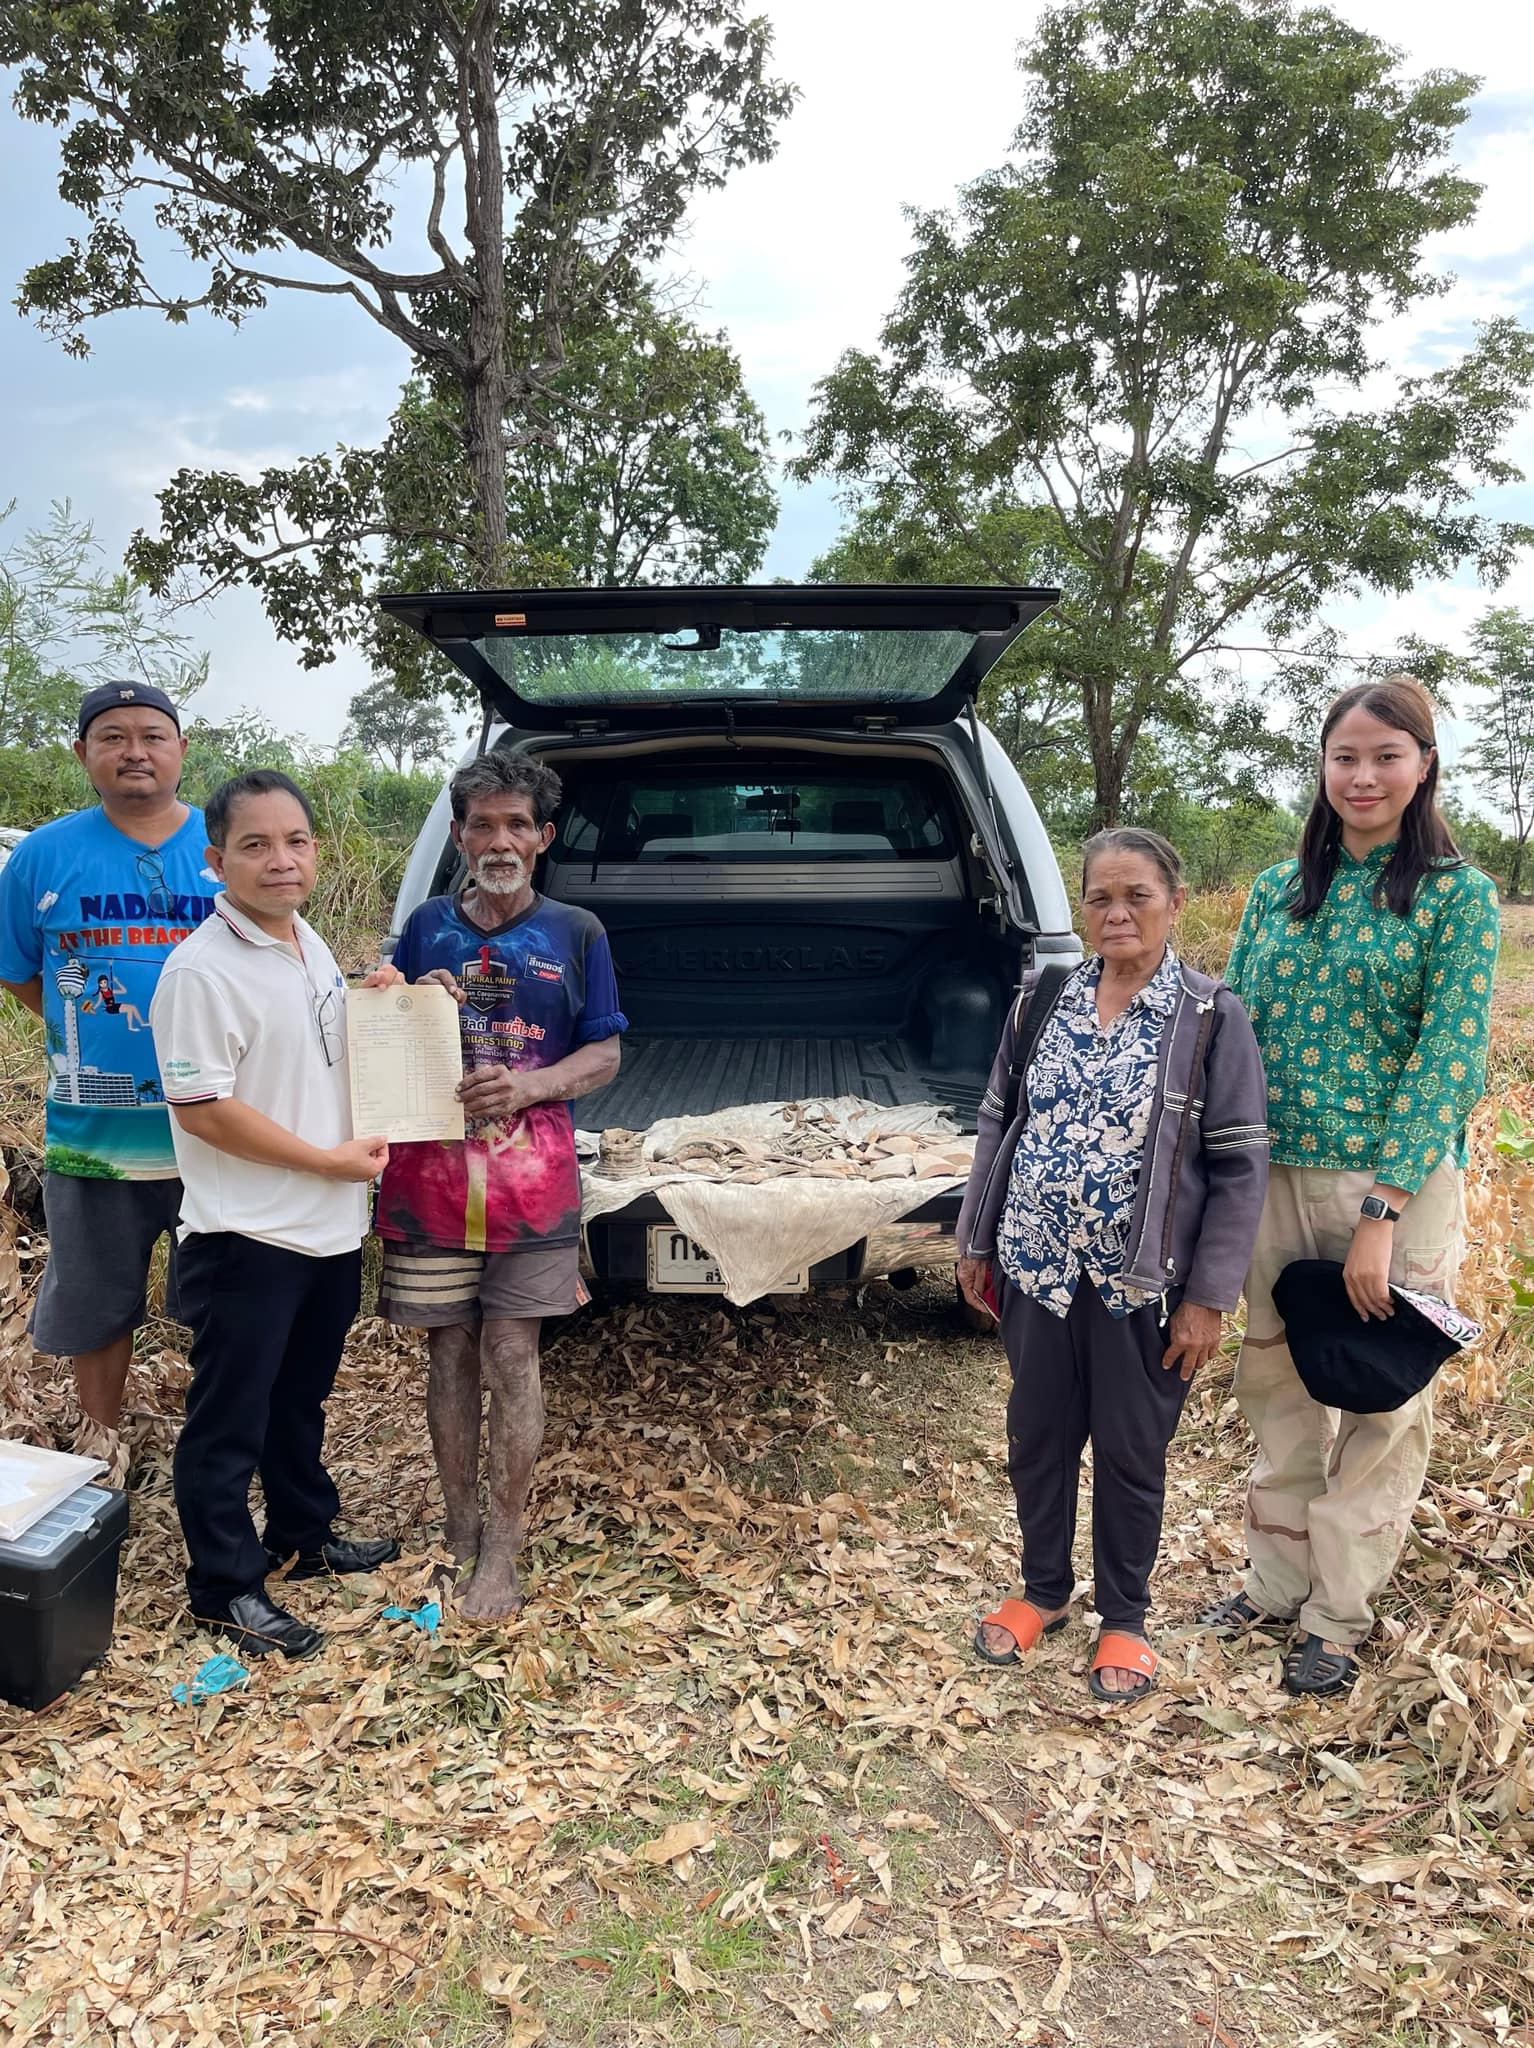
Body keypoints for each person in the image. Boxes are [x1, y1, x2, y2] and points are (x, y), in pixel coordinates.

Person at [1204, 676, 1500, 1697]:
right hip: (1267, 1173)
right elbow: (1230, 1030)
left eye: (1386, 755)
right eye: (1344, 756)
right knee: (1276, 1381)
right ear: (1321, 767)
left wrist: (1380, 1212)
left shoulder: (1456, 894)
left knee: (1378, 1402)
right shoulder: (1274, 888)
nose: (1363, 775)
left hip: (1394, 1183)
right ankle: (1276, 1576)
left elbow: (1449, 1058)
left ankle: (1336, 1611)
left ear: (1423, 766)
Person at [956, 829, 1269, 1702]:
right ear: (1081, 907)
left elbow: (1242, 1163)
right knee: (1039, 1436)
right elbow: (996, 1120)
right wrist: (976, 1241)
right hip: (1036, 1265)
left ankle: (1124, 1619)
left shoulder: (1210, 1017)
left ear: (1173, 902)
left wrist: (1208, 1297)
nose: (1118, 912)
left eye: (1137, 895)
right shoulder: (1044, 998)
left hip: (1142, 1283)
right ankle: (1044, 1592)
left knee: (1132, 1449)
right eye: (1100, 897)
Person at [149, 770, 399, 1658]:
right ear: (217, 860)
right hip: (247, 1234)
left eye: (294, 841)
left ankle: (305, 1530)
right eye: (254, 845)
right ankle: (224, 1584)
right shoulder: (200, 971)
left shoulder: (309, 943)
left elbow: (317, 1056)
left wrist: (381, 1006)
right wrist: (327, 1161)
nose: (279, 860)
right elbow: (203, 1107)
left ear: (315, 852)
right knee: (229, 1418)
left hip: (327, 1226)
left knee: (301, 1398)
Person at [371, 752, 625, 1622]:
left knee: (512, 1351)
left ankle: (503, 1551)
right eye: (483, 823)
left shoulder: (577, 932)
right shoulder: (425, 928)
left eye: (518, 823)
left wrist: (526, 1085)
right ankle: (459, 1527)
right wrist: (409, 999)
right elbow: (380, 1030)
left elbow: (606, 1052)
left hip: (531, 1180)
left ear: (544, 837)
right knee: (448, 1351)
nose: (500, 839)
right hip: (429, 1182)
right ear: (458, 835)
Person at [0, 681, 220, 1469]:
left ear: (181, 750)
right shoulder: (43, 855)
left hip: (221, 1127)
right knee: (97, 1293)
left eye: (154, 735)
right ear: (83, 753)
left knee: (224, 1291)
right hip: (97, 1132)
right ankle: (102, 1442)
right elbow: (20, 969)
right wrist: (77, 1037)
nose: (136, 751)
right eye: (114, 736)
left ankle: (221, 1440)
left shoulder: (227, 846)